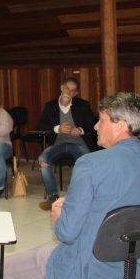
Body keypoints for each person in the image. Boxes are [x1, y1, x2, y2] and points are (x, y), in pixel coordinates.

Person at [0, 92, 140, 279]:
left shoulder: (90, 163)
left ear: (120, 124)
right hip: (133, 265)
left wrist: (57, 214)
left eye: (101, 120)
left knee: (2, 270)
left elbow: (66, 233)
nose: (95, 127)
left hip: (90, 266)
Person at [37, 77, 96, 210]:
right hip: (57, 144)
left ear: (76, 94)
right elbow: (42, 125)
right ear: (61, 87)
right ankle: (52, 196)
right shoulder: (50, 105)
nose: (69, 92)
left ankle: (74, 197)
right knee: (43, 159)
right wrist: (57, 129)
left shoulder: (83, 105)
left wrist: (80, 130)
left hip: (79, 144)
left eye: (72, 90)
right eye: (67, 88)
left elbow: (92, 125)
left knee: (84, 163)